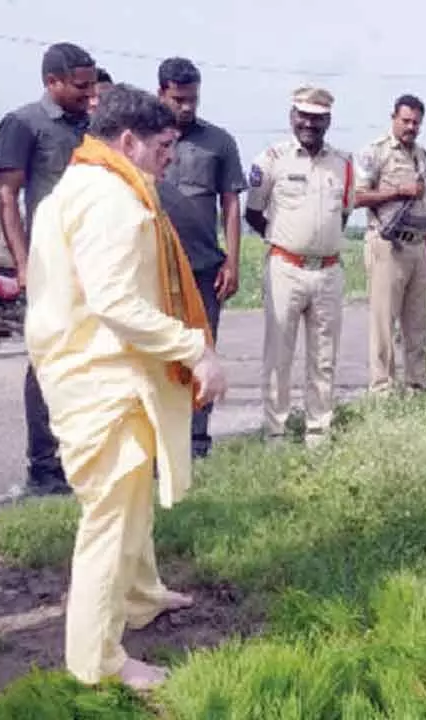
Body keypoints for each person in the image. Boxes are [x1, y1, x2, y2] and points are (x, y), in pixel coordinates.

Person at [25, 83, 227, 690]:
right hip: (98, 379)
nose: (173, 156)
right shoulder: (113, 198)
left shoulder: (88, 183)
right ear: (130, 141)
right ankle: (98, 663)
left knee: (132, 495)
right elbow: (116, 302)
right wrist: (197, 351)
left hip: (99, 371)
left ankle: (140, 596)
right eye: (164, 146)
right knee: (110, 519)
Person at [0, 41, 97, 496]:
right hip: (48, 263)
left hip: (95, 263)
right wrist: (22, 263)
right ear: (51, 82)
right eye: (80, 86)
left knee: (91, 360)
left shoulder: (95, 128)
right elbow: (7, 197)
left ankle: (82, 458)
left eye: (92, 84)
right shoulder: (23, 124)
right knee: (46, 361)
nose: (90, 93)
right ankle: (43, 467)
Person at [244, 87, 353, 446]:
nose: (310, 123)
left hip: (328, 272)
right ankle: (275, 431)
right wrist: (286, 240)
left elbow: (345, 214)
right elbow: (254, 213)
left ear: (329, 120)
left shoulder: (344, 164)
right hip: (285, 268)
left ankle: (318, 432)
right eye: (303, 115)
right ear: (292, 116)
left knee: (324, 357)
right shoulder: (271, 160)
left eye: (318, 117)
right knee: (279, 355)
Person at [157, 57, 247, 458]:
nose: (187, 107)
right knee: (157, 355)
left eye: (193, 98)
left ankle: (196, 441)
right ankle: (157, 441)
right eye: (179, 99)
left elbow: (230, 204)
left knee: (201, 351)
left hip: (204, 268)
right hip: (155, 267)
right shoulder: (144, 139)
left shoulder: (219, 142)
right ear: (162, 93)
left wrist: (232, 261)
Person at [355, 94, 426, 394]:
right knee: (384, 324)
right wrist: (399, 191)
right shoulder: (374, 152)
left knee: (417, 325)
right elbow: (357, 197)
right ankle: (382, 389)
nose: (411, 127)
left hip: (417, 247)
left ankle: (417, 384)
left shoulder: (422, 156)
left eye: (416, 122)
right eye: (406, 121)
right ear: (393, 118)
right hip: (387, 246)